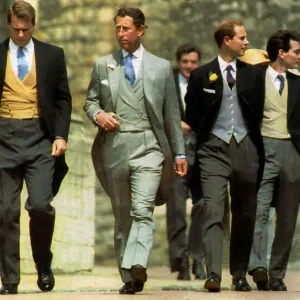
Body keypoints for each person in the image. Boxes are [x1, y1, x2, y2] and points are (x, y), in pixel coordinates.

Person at [84, 6, 187, 295]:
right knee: (122, 216)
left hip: (150, 146)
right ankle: (129, 277)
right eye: (117, 28)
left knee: (143, 210)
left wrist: (179, 153)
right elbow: (90, 101)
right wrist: (99, 115)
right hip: (115, 146)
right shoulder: (104, 64)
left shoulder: (161, 67)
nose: (120, 33)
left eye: (126, 28)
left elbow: (171, 116)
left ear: (140, 30)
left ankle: (138, 262)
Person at [185, 19, 265, 292]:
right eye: (241, 38)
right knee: (213, 210)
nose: (246, 42)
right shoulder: (201, 75)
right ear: (226, 41)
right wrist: (210, 136)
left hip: (245, 148)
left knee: (245, 213)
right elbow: (192, 114)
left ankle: (240, 274)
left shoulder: (253, 75)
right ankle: (213, 274)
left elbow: (258, 112)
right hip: (212, 150)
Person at [0, 0, 72, 295]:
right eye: (15, 29)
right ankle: (10, 280)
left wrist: (61, 135)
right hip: (3, 136)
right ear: (9, 24)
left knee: (41, 205)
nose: (20, 35)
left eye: (25, 30)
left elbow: (63, 99)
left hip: (41, 136)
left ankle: (43, 263)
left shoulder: (52, 55)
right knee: (4, 211)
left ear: (33, 26)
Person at [248, 30, 300, 292]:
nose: (299, 57)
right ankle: (258, 267)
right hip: (263, 148)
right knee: (260, 211)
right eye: (297, 52)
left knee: (288, 216)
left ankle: (277, 273)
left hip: (292, 151)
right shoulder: (255, 78)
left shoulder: (299, 81)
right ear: (282, 53)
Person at [166, 43, 206, 281]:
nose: (189, 66)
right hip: (176, 155)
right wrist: (175, 124)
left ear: (198, 63)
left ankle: (197, 258)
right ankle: (180, 262)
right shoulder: (168, 84)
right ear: (179, 62)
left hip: (201, 154)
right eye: (185, 62)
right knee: (177, 212)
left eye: (193, 62)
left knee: (202, 207)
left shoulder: (206, 82)